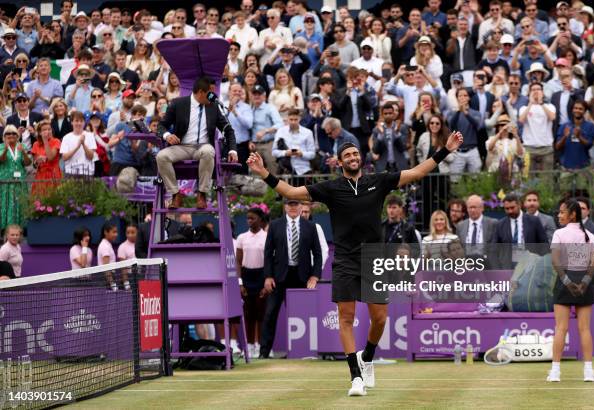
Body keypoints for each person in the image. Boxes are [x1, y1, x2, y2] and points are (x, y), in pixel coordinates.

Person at [247, 127, 463, 395]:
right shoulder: (330, 188)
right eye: (347, 154)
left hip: (373, 258)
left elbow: (418, 172)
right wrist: (262, 173)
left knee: (380, 319)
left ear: (360, 159)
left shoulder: (379, 181)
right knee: (345, 317)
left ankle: (368, 356)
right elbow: (290, 192)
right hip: (346, 258)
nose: (352, 157)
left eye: (355, 153)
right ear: (339, 162)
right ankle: (355, 376)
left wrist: (446, 150)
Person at [156, 75, 238, 209]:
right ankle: (176, 194)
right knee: (161, 156)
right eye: (211, 93)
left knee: (208, 151)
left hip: (202, 148)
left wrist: (232, 150)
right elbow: (161, 126)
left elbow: (228, 130)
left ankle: (202, 194)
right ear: (201, 92)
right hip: (181, 147)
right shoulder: (178, 104)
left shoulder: (214, 107)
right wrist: (167, 135)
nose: (214, 97)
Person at [260, 199, 322, 359]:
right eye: (290, 205)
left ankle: (306, 351)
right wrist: (268, 276)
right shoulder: (275, 225)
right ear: (285, 207)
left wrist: (315, 276)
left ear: (301, 207)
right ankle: (263, 353)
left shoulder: (310, 226)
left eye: (296, 205)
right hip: (279, 277)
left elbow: (318, 253)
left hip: (302, 277)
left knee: (304, 315)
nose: (293, 207)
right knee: (270, 314)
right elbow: (267, 253)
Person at [547, 199, 594, 383]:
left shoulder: (560, 234)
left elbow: (555, 261)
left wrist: (568, 281)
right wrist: (584, 282)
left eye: (562, 212)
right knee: (584, 328)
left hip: (564, 282)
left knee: (561, 328)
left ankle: (555, 372)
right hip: (583, 283)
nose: (559, 215)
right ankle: (588, 371)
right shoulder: (590, 236)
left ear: (573, 214)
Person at [236, 207, 268, 359]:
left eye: (252, 218)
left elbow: (270, 261)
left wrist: (266, 282)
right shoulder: (242, 237)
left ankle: (260, 346)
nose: (249, 221)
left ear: (260, 220)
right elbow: (238, 262)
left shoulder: (267, 236)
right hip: (247, 276)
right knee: (249, 314)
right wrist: (240, 282)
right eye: (248, 218)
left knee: (261, 313)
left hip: (262, 276)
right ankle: (248, 346)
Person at [0, 125, 31, 230]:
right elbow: (1, 160)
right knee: (7, 204)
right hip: (6, 182)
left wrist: (23, 152)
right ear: (4, 136)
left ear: (17, 136)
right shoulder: (0, 146)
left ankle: (22, 229)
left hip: (20, 182)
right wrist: (5, 149)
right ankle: (6, 229)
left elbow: (27, 163)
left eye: (13, 133)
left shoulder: (21, 146)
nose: (11, 135)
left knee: (20, 203)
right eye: (8, 133)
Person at [555, 100, 594, 170]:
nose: (577, 110)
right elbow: (557, 147)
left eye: (580, 109)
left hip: (583, 166)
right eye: (575, 108)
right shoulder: (564, 126)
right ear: (572, 110)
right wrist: (564, 137)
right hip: (566, 167)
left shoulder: (590, 126)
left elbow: (589, 145)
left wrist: (579, 137)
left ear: (585, 111)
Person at [456, 195, 498, 259]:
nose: (472, 210)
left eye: (475, 207)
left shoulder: (492, 223)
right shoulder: (460, 226)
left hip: (487, 264)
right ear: (467, 209)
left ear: (482, 208)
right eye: (470, 207)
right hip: (466, 264)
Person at [60, 111, 97, 176]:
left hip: (87, 172)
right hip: (70, 172)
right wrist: (77, 147)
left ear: (84, 123)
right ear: (72, 122)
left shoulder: (90, 136)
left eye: (81, 121)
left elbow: (91, 157)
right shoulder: (66, 137)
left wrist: (83, 144)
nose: (79, 123)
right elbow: (64, 157)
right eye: (76, 121)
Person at [31, 120, 62, 197]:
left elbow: (50, 157)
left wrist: (45, 141)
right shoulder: (36, 144)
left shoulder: (56, 141)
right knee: (39, 200)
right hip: (41, 175)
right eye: (44, 130)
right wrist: (37, 161)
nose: (47, 131)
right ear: (40, 132)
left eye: (49, 129)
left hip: (53, 174)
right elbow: (35, 165)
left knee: (53, 200)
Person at [98, 221, 126, 291]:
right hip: (106, 279)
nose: (116, 234)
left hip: (108, 278)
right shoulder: (105, 246)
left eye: (116, 232)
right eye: (113, 232)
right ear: (106, 232)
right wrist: (112, 284)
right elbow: (106, 268)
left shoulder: (107, 244)